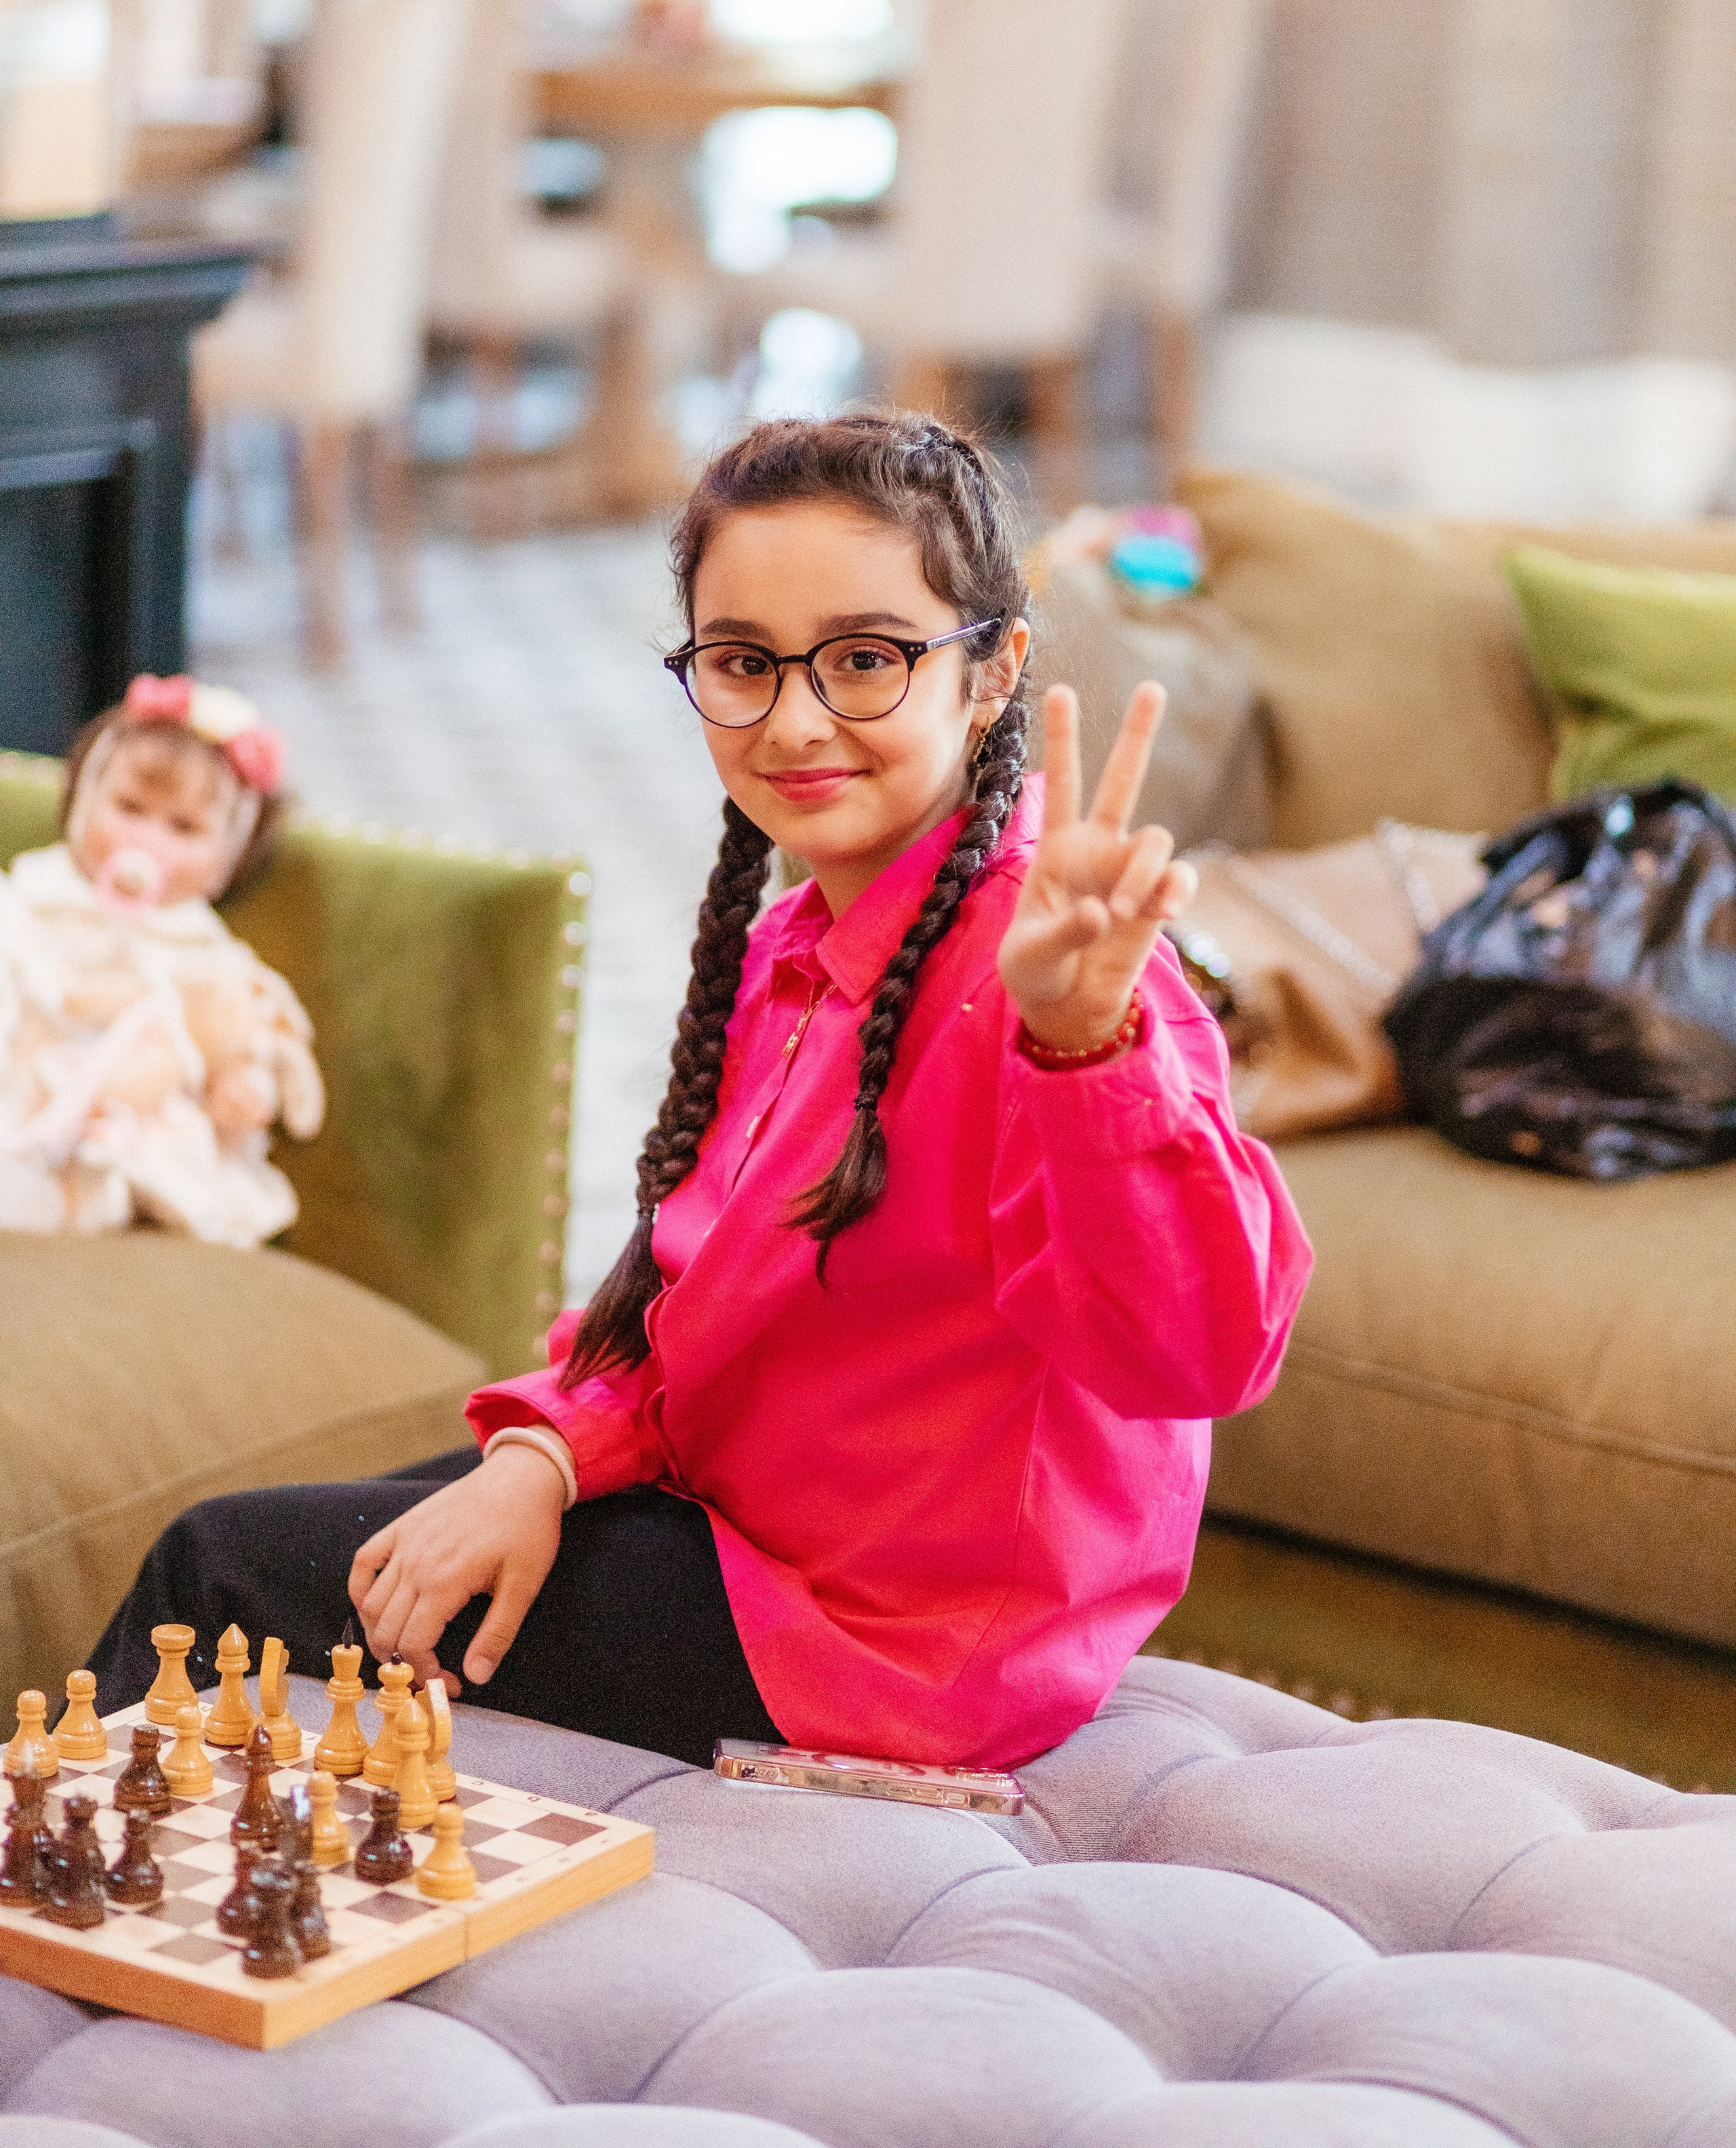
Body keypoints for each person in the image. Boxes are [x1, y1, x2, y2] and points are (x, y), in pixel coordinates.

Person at [89, 411, 1310, 1768]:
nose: (794, 721)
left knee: (216, 1581)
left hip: (890, 1641)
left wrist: (1089, 1049)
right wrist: (543, 1458)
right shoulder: (796, 944)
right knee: (350, 1560)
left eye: (864, 660)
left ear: (989, 673)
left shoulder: (1047, 972)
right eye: (743, 663)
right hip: (750, 1536)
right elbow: (685, 1294)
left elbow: (1200, 1355)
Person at [0, 674, 321, 1245]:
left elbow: (236, 1032)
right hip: (24, 1089)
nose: (148, 840)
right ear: (79, 801)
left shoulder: (204, 952)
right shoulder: (34, 896)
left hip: (128, 1117)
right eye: (128, 807)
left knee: (153, 1170)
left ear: (229, 859)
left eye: (184, 828)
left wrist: (242, 1086)